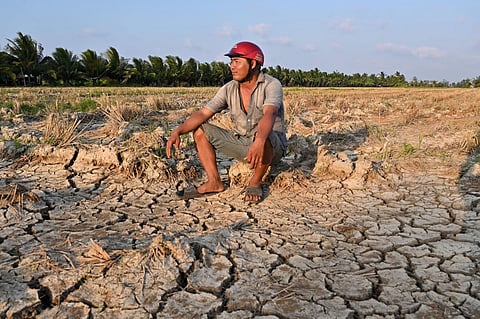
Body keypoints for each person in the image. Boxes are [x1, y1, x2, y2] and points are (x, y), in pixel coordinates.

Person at [166, 41, 287, 203]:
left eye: (237, 61)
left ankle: (255, 182)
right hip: (243, 143)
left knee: (264, 134)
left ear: (252, 64)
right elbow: (204, 113)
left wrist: (259, 141)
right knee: (200, 129)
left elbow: (269, 114)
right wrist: (178, 131)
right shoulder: (229, 88)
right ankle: (214, 182)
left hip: (270, 147)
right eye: (231, 62)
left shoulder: (271, 84)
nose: (232, 66)